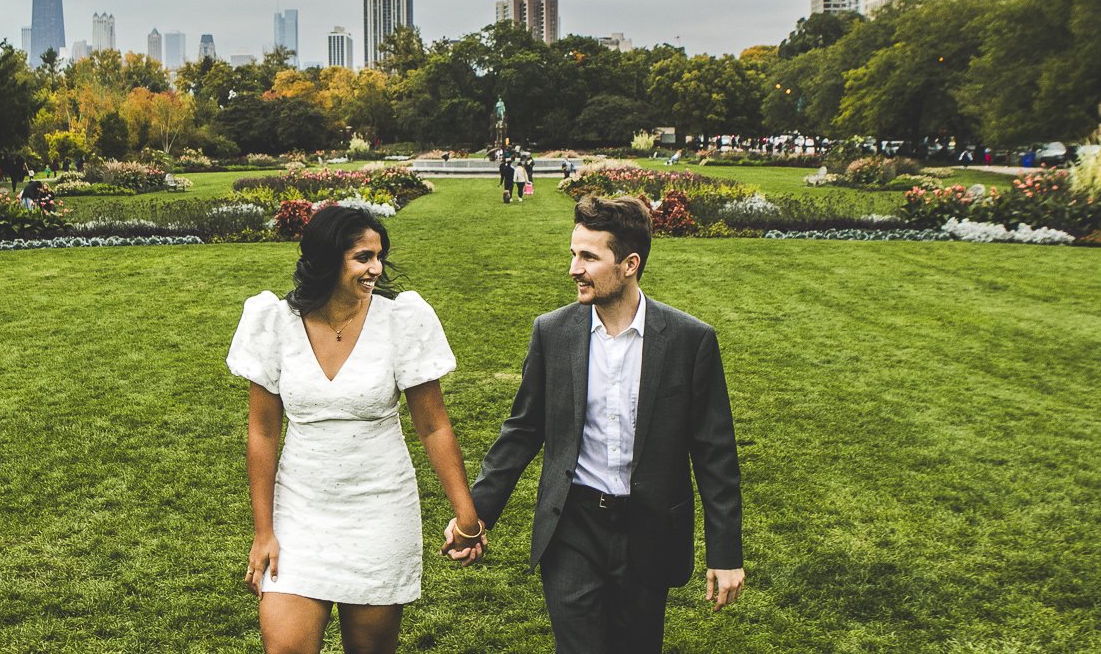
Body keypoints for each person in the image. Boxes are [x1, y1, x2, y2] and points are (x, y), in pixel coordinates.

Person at [462, 195, 744, 653]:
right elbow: (522, 431)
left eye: (589, 257)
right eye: (574, 254)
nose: (574, 268)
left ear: (630, 263)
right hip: (572, 527)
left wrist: (726, 552)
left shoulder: (689, 341)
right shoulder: (552, 333)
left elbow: (715, 453)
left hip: (648, 532)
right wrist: (475, 515)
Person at [228, 205, 484, 654]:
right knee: (285, 646)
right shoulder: (273, 322)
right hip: (300, 510)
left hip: (380, 509)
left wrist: (467, 516)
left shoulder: (401, 320)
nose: (376, 269)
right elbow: (262, 433)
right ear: (329, 259)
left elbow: (433, 425)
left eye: (379, 256)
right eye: (363, 257)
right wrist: (263, 531)